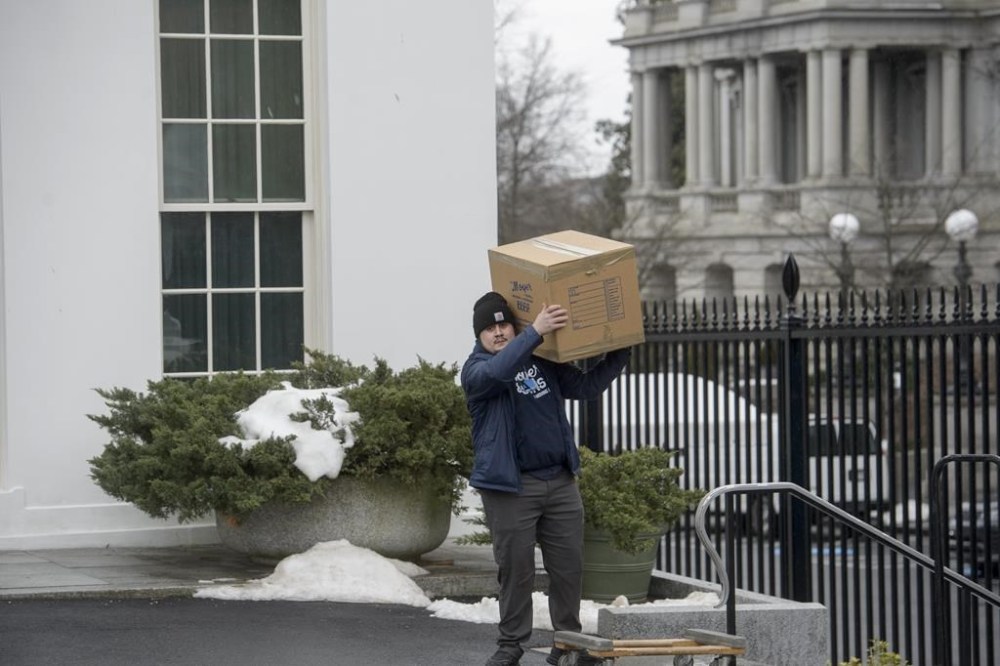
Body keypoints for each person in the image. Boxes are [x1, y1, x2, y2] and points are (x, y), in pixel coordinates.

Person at [461, 291, 631, 666]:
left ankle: (567, 642)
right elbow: (499, 371)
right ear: (479, 336)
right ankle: (510, 646)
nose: (499, 332)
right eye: (490, 328)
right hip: (511, 488)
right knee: (516, 571)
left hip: (560, 481)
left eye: (504, 323)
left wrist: (620, 351)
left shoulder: (540, 361)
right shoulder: (476, 372)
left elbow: (585, 387)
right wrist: (534, 331)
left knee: (569, 569)